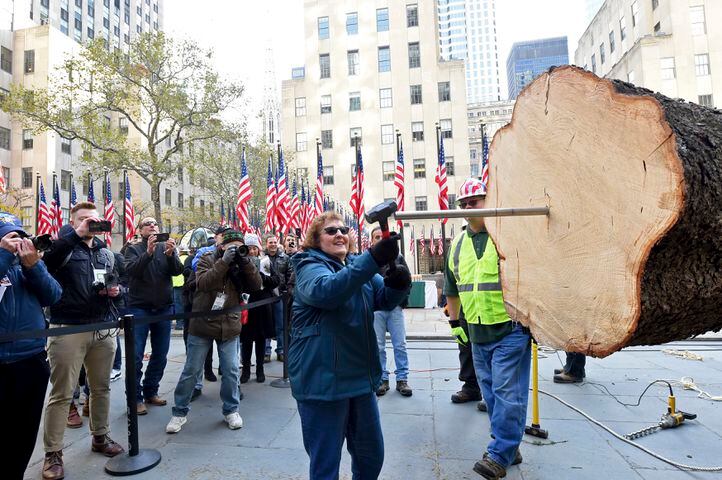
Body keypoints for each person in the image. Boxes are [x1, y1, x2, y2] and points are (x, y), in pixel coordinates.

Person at [289, 212, 411, 479]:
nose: (339, 234)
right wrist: (373, 259)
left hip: (360, 380)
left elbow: (383, 299)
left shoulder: (356, 266)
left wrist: (399, 284)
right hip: (322, 383)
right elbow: (328, 291)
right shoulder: (308, 266)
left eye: (343, 229)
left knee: (371, 456)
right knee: (325, 464)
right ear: (315, 239)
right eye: (331, 231)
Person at [444, 178, 531, 480]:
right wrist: (455, 323)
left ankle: (499, 454)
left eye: (475, 201)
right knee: (492, 396)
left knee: (508, 395)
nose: (469, 208)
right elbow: (452, 290)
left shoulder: (508, 236)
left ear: (489, 201)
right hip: (478, 335)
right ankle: (510, 446)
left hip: (510, 330)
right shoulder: (456, 245)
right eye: (464, 204)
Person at [39, 202, 125, 479]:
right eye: (84, 219)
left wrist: (116, 291)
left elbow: (120, 282)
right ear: (74, 221)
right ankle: (53, 453)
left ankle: (100, 436)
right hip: (67, 328)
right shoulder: (61, 247)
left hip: (102, 327)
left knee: (101, 388)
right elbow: (47, 263)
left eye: (94, 218)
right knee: (61, 394)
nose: (91, 223)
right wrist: (76, 234)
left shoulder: (105, 253)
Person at [166, 230, 262, 434]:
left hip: (230, 324)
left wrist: (245, 262)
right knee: (191, 370)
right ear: (221, 246)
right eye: (231, 247)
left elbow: (256, 285)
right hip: (202, 324)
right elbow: (202, 284)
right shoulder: (205, 258)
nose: (236, 250)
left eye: (239, 246)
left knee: (231, 370)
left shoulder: (245, 261)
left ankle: (231, 409)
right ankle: (179, 412)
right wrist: (223, 262)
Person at [0, 212, 62, 480]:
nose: (19, 241)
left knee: (23, 434)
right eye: (10, 236)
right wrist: (3, 256)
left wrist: (33, 266)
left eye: (21, 235)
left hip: (31, 360)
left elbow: (54, 295)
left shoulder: (29, 264)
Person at [124, 217, 184, 415]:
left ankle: (151, 390)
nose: (152, 226)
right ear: (140, 231)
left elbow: (177, 271)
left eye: (155, 224)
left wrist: (171, 254)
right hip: (139, 308)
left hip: (163, 308)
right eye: (147, 224)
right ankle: (135, 398)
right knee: (136, 355)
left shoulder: (165, 248)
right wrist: (148, 253)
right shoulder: (133, 249)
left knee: (160, 354)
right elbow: (131, 270)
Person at [369, 226, 413, 397]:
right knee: (378, 345)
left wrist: (402, 301)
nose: (380, 240)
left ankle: (402, 379)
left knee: (400, 344)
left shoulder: (398, 257)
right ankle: (382, 379)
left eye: (382, 236)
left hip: (395, 308)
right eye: (376, 237)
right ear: (372, 240)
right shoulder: (369, 260)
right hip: (377, 309)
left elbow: (407, 281)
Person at [240, 234, 278, 384]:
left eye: (254, 248)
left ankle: (260, 369)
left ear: (258, 249)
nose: (252, 251)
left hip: (262, 305)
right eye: (249, 248)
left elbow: (276, 281)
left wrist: (261, 276)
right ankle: (246, 370)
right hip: (247, 304)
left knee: (261, 340)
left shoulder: (266, 261)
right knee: (246, 341)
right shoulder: (240, 263)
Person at [444, 303, 486, 410]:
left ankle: (491, 394)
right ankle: (471, 388)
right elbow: (452, 287)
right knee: (465, 347)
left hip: (490, 306)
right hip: (466, 303)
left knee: (488, 349)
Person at [264, 234, 292, 362]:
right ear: (266, 244)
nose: (273, 244)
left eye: (275, 242)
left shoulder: (285, 258)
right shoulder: (261, 258)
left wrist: (286, 290)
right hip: (265, 296)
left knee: (281, 325)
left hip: (280, 295)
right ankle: (266, 351)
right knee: (266, 324)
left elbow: (290, 275)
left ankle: (281, 350)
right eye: (271, 242)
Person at [172, 248, 190, 331]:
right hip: (184, 284)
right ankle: (182, 323)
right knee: (184, 304)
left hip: (176, 285)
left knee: (178, 305)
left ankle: (179, 324)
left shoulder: (178, 258)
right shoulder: (188, 259)